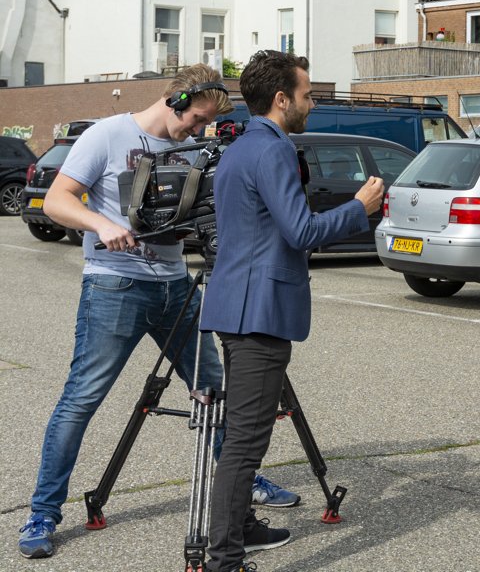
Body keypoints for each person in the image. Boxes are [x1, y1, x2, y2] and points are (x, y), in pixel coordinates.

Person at [17, 65, 298, 561]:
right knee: (82, 399)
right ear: (175, 99)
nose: (197, 129)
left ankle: (241, 485)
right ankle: (43, 512)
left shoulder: (192, 149)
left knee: (214, 392)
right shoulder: (107, 135)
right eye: (196, 118)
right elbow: (56, 200)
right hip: (115, 285)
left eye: (204, 123)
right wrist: (101, 225)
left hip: (176, 287)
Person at [200, 51, 384, 572]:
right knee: (245, 442)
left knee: (243, 433)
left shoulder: (239, 146)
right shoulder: (274, 149)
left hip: (238, 306)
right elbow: (301, 231)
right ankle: (224, 559)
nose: (312, 103)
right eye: (307, 95)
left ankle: (241, 529)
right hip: (258, 312)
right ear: (282, 99)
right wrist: (359, 208)